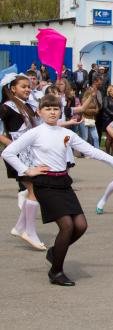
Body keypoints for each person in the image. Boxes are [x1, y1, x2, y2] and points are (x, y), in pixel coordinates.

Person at [1, 94, 113, 286]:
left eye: (55, 109)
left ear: (60, 111)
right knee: (67, 226)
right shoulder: (35, 132)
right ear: (40, 111)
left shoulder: (66, 134)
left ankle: (55, 252)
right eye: (48, 109)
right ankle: (56, 271)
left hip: (63, 183)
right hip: (45, 184)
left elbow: (91, 150)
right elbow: (8, 152)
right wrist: (27, 170)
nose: (52, 112)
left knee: (81, 226)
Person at [0, 74, 44, 250]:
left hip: (30, 153)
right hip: (16, 154)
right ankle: (29, 231)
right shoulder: (5, 107)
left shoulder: (28, 106)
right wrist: (14, 145)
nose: (27, 89)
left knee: (34, 189)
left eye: (28, 86)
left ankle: (21, 227)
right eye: (23, 86)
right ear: (12, 89)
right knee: (35, 189)